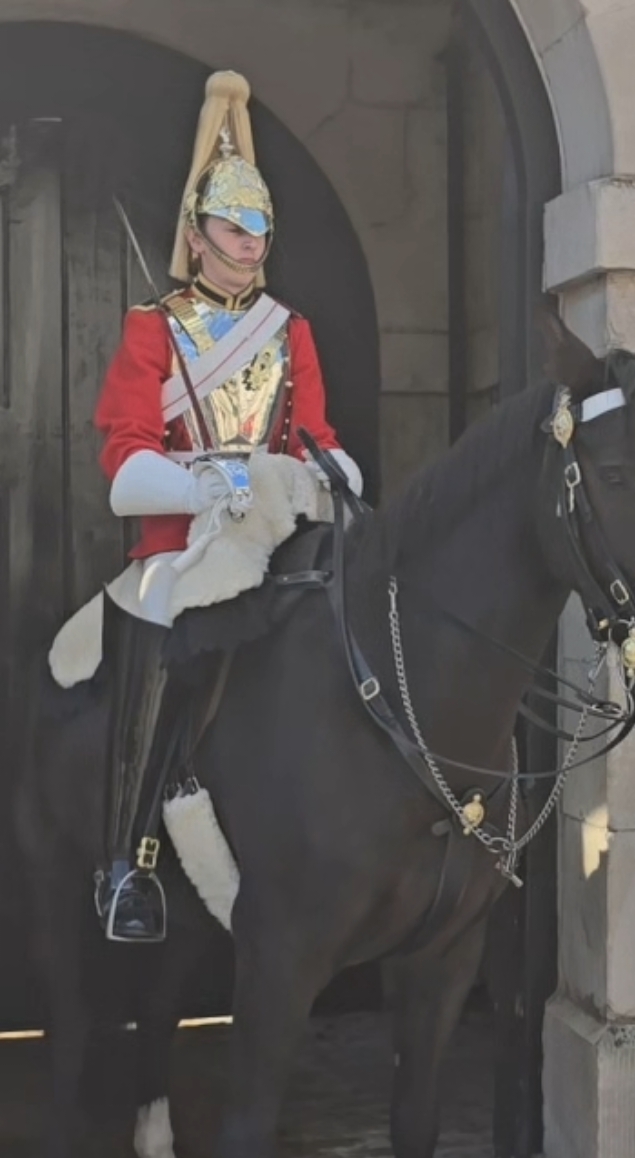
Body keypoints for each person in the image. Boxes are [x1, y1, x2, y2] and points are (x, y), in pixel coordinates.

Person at [93, 70, 362, 943]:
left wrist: (334, 469)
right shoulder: (153, 327)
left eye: (259, 229)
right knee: (161, 619)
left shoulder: (291, 331)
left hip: (273, 529)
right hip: (182, 536)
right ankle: (125, 862)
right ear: (195, 236)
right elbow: (125, 459)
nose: (249, 244)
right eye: (232, 227)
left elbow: (311, 431)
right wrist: (202, 482)